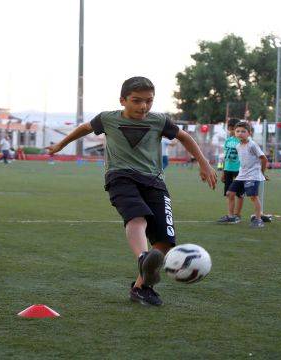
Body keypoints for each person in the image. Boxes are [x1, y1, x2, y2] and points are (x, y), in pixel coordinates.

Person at [46, 76, 216, 306]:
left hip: (155, 181)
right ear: (123, 100)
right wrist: (59, 145)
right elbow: (83, 128)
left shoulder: (159, 121)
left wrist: (203, 163)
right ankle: (143, 257)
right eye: (136, 101)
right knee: (137, 216)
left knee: (165, 241)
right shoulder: (108, 119)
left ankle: (141, 287)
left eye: (149, 101)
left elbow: (185, 137)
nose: (143, 106)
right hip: (120, 177)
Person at [225, 121, 269, 228]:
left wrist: (262, 172)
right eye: (238, 131)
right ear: (234, 133)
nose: (240, 133)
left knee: (253, 196)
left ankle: (258, 219)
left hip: (253, 175)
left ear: (249, 133)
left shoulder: (252, 145)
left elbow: (264, 159)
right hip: (242, 175)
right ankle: (231, 216)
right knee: (230, 193)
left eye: (243, 131)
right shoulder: (238, 146)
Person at [216, 118, 244, 224]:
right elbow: (226, 157)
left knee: (240, 194)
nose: (232, 131)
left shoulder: (242, 141)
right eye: (230, 129)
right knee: (228, 194)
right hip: (228, 169)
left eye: (234, 129)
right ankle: (230, 215)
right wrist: (223, 171)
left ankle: (237, 214)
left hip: (239, 170)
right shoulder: (227, 141)